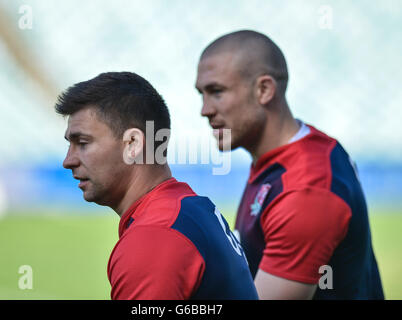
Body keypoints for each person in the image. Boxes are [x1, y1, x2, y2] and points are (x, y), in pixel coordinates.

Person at [195, 30, 384, 300]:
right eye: (201, 94)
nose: (205, 109)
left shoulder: (305, 188)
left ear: (264, 90)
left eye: (216, 92)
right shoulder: (297, 151)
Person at [55, 71, 258, 300]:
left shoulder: (155, 235)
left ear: (132, 143)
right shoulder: (188, 208)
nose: (67, 160)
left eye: (82, 143)